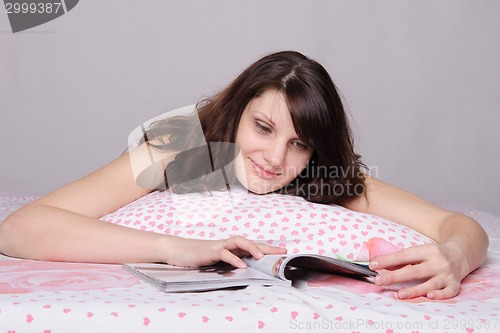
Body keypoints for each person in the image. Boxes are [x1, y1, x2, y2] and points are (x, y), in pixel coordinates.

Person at [0, 51, 488, 300]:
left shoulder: (324, 174)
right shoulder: (180, 142)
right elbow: (21, 228)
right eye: (263, 127)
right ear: (238, 114)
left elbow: (458, 226)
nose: (275, 158)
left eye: (299, 142)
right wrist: (176, 249)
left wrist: (454, 255)